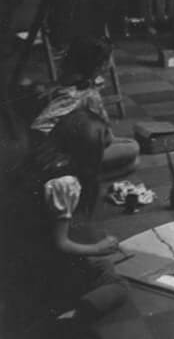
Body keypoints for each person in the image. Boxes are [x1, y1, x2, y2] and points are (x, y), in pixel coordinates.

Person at [11, 108, 129, 331]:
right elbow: (60, 243)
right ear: (88, 149)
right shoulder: (66, 183)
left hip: (16, 256)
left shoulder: (42, 157)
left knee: (98, 266)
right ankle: (70, 318)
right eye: (101, 146)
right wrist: (97, 248)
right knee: (117, 284)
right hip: (40, 266)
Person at [30, 37, 138, 182]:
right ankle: (83, 176)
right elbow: (40, 125)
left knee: (130, 147)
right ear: (98, 65)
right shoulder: (75, 92)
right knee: (133, 151)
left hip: (89, 142)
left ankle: (87, 174)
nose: (111, 64)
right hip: (68, 154)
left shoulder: (82, 81)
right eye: (108, 60)